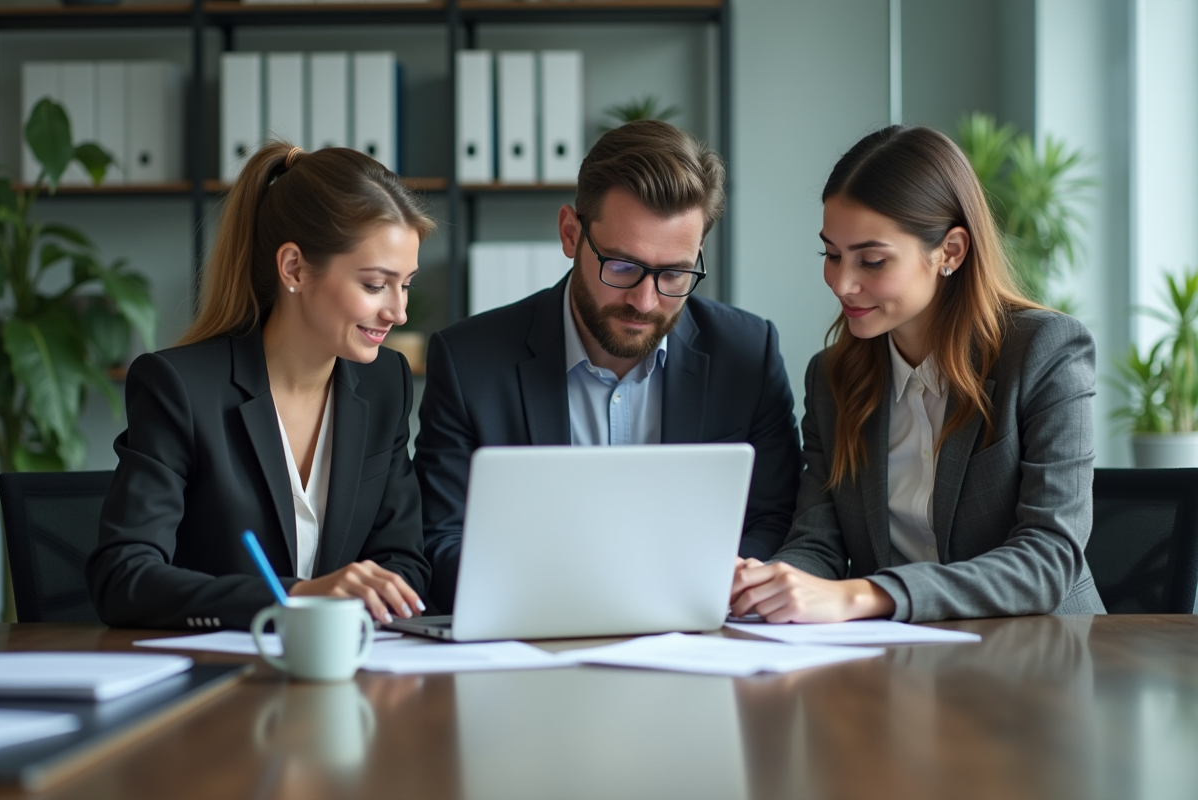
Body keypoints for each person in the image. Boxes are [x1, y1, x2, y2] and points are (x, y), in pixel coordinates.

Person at [415, 120, 802, 612]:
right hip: (536, 635)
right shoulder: (469, 362)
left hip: (698, 632)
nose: (645, 301)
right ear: (570, 234)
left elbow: (777, 520)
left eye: (674, 273)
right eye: (621, 266)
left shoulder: (748, 354)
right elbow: (439, 540)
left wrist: (709, 584)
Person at [731, 125, 1106, 624]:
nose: (842, 283)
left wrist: (866, 595)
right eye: (832, 255)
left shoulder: (1045, 351)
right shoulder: (832, 378)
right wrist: (765, 583)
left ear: (950, 251)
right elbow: (817, 544)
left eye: (872, 260)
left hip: (1040, 649)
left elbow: (1048, 559)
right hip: (901, 657)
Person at [87, 142, 433, 630]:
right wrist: (296, 597)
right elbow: (123, 578)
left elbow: (405, 561)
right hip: (219, 668)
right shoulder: (179, 388)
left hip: (347, 661)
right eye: (375, 285)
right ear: (294, 268)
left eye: (406, 284)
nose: (398, 312)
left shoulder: (385, 384)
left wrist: (379, 597)